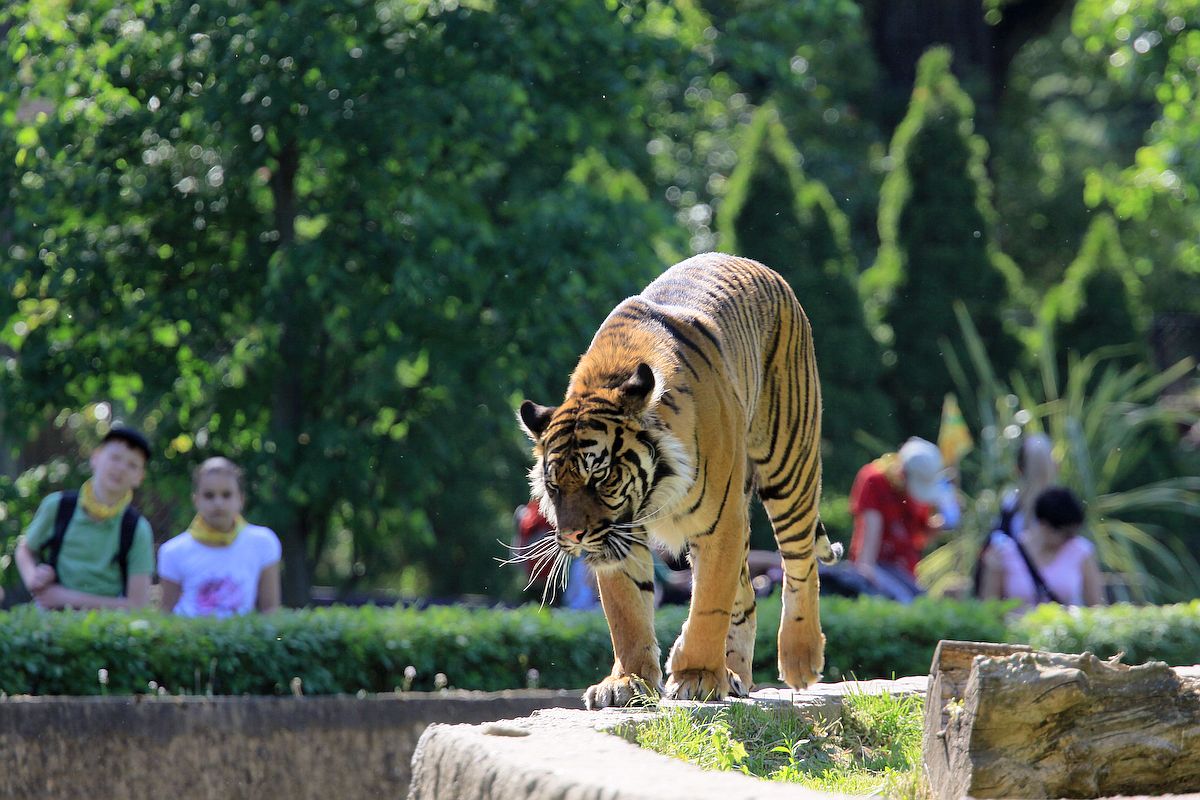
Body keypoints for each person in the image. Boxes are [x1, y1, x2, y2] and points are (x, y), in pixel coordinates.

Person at [14, 426, 155, 610]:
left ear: (139, 477)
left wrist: (66, 598)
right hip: (50, 618)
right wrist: (34, 578)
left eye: (132, 465)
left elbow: (138, 605)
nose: (121, 468)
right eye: (115, 458)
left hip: (106, 626)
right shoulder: (57, 506)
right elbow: (24, 549)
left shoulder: (137, 529)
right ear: (95, 458)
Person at [157, 457, 281, 616]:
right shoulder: (172, 551)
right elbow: (165, 614)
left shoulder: (263, 542)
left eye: (226, 495)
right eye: (209, 495)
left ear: (241, 499)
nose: (218, 503)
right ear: (196, 500)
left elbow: (271, 611)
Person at [847, 437, 950, 602]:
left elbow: (918, 538)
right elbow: (869, 533)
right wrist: (865, 570)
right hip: (878, 565)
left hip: (905, 571)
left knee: (922, 603)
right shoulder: (874, 480)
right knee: (905, 602)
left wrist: (934, 529)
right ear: (902, 473)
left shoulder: (913, 490)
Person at [977, 486, 1106, 611]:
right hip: (1017, 631)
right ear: (1044, 525)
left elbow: (1096, 607)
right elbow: (989, 608)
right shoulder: (1006, 552)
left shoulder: (1081, 551)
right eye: (1066, 533)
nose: (1071, 539)